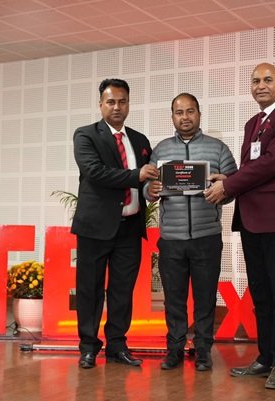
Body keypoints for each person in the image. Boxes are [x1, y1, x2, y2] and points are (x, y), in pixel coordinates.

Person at [204, 63, 275, 389]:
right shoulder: (253, 123)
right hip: (250, 217)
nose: (261, 85)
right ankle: (265, 357)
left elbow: (272, 163)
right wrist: (228, 178)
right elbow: (254, 166)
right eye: (255, 81)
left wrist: (230, 185)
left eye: (267, 80)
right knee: (260, 293)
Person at [144, 93, 237, 371]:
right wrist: (150, 190)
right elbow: (147, 188)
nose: (185, 117)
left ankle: (203, 350)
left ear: (199, 114)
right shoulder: (160, 150)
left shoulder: (218, 149)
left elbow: (234, 184)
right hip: (171, 239)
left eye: (190, 111)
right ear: (172, 116)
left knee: (205, 298)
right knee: (174, 299)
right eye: (179, 112)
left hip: (207, 238)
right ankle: (174, 349)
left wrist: (224, 188)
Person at [72, 78, 159, 369]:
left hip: (130, 228)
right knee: (90, 289)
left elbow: (146, 181)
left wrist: (151, 190)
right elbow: (95, 172)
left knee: (122, 290)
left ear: (129, 104)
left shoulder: (140, 140)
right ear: (101, 105)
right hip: (95, 227)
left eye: (122, 101)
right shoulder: (85, 135)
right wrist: (137, 176)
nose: (117, 107)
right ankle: (88, 347)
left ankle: (117, 346)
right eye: (111, 102)